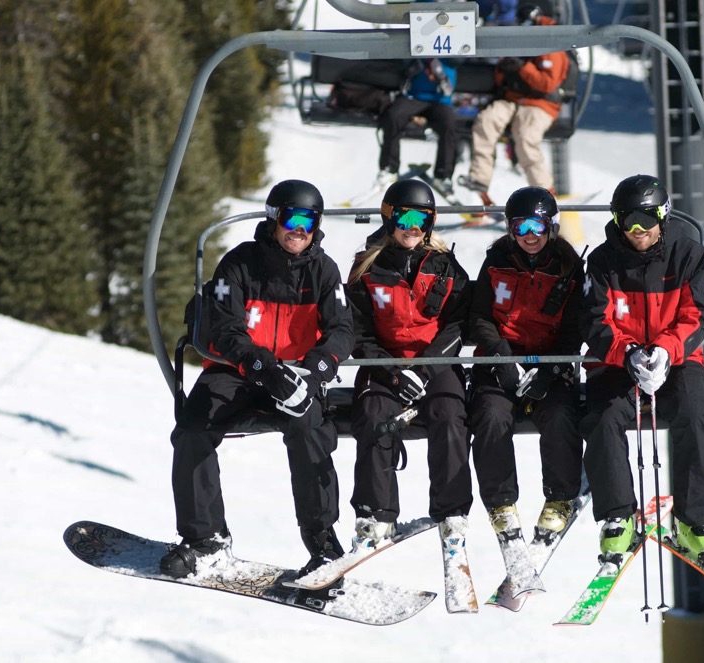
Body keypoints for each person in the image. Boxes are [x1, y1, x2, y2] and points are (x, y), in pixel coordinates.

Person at [160, 180, 354, 580]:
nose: (300, 230)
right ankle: (205, 540)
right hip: (239, 373)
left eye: (310, 221)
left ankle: (322, 541)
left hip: (297, 375)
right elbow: (225, 328)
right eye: (292, 218)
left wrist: (316, 369)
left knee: (309, 428)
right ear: (273, 219)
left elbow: (342, 331)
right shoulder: (240, 264)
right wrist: (263, 367)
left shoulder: (323, 271)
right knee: (194, 429)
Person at [579, 174, 704, 568]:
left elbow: (699, 316)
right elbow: (595, 322)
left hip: (675, 359)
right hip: (617, 361)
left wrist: (665, 349)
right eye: (628, 220)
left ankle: (693, 521)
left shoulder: (688, 254)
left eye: (646, 218)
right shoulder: (604, 261)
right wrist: (626, 353)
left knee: (697, 412)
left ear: (663, 215)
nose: (637, 230)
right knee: (603, 416)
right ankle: (618, 515)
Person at [345, 179, 473, 556]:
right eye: (404, 217)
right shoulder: (368, 267)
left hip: (435, 362)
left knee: (450, 414)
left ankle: (452, 513)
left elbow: (459, 324)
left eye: (422, 217)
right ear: (389, 218)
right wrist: (392, 372)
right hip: (385, 364)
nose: (412, 226)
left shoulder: (445, 265)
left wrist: (427, 368)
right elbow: (357, 330)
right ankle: (375, 514)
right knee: (372, 416)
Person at [466, 187, 585, 551]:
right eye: (521, 227)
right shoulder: (497, 261)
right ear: (510, 229)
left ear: (551, 227)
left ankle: (561, 496)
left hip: (549, 360)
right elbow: (480, 317)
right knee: (489, 414)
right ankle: (501, 504)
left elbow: (574, 328)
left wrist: (550, 370)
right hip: (500, 361)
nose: (530, 236)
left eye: (538, 226)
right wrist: (502, 357)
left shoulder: (568, 267)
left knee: (561, 412)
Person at [459, 3, 569, 195]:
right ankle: (480, 178)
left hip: (539, 103)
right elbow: (501, 76)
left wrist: (522, 68)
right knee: (486, 121)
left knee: (526, 138)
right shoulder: (515, 36)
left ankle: (544, 191)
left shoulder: (551, 40)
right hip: (512, 99)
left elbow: (547, 83)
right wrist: (505, 69)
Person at [377, 58, 459, 190]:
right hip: (414, 96)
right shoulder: (418, 49)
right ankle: (389, 168)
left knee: (449, 123)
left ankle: (443, 175)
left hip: (440, 100)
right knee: (394, 116)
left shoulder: (450, 50)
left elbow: (460, 58)